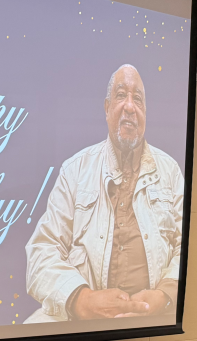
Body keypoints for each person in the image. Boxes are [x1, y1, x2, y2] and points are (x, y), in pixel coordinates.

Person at [25, 64, 184, 322]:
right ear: (107, 108)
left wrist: (165, 293)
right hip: (84, 319)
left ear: (145, 112)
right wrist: (80, 298)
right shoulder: (75, 170)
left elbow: (187, 248)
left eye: (138, 100)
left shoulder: (170, 172)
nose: (130, 107)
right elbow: (42, 251)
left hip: (154, 319)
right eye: (121, 96)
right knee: (32, 328)